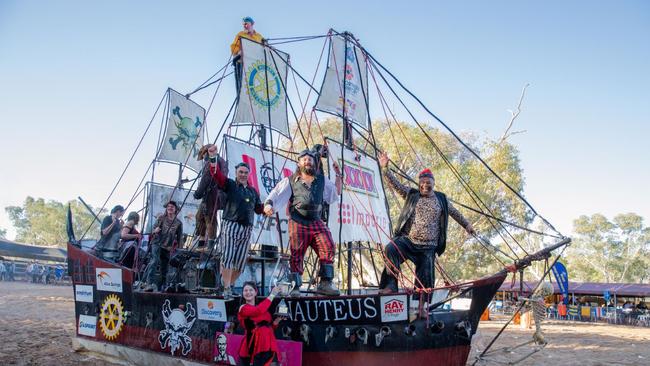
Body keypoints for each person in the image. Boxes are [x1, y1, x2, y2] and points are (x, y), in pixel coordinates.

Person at [377, 151, 475, 296]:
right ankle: (391, 285)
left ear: (433, 183)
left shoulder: (441, 199)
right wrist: (385, 168)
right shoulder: (412, 194)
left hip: (428, 247)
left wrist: (467, 225)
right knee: (391, 248)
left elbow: (454, 213)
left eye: (428, 183)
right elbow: (396, 184)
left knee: (424, 284)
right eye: (422, 182)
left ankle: (422, 307)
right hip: (409, 242)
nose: (424, 185)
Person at [264, 149, 343, 296]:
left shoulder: (321, 179)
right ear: (299, 163)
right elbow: (276, 192)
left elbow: (335, 192)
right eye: (304, 159)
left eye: (310, 160)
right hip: (298, 220)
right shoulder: (291, 180)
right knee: (297, 253)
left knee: (328, 245)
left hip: (316, 220)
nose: (307, 161)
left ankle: (325, 283)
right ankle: (295, 286)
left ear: (314, 163)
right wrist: (269, 204)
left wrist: (338, 174)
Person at [208, 146, 264, 299]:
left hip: (246, 228)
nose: (243, 175)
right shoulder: (231, 185)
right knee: (228, 256)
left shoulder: (253, 192)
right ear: (236, 173)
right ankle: (226, 287)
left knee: (240, 261)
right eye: (241, 172)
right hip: (231, 224)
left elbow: (259, 209)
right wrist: (213, 158)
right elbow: (216, 175)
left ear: (249, 174)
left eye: (246, 172)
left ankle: (229, 284)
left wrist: (270, 206)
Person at [238, 282, 284, 366]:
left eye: (251, 290)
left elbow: (268, 328)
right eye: (245, 290)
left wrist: (277, 321)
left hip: (268, 345)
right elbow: (258, 311)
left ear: (256, 292)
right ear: (243, 293)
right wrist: (272, 294)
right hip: (254, 346)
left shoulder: (262, 307)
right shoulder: (243, 308)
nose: (248, 292)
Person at [142, 201, 183, 292]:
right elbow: (152, 230)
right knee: (154, 261)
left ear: (176, 209)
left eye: (172, 207)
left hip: (167, 247)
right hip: (157, 243)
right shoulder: (161, 218)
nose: (170, 208)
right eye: (168, 206)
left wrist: (179, 250)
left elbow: (180, 238)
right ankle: (149, 284)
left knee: (165, 267)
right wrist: (155, 230)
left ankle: (162, 286)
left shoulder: (178, 223)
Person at [194, 144, 228, 250]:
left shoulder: (213, 162)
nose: (203, 157)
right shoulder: (221, 161)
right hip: (214, 193)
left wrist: (198, 193)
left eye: (204, 154)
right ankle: (203, 242)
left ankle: (209, 246)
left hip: (212, 194)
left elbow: (206, 178)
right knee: (200, 216)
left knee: (210, 218)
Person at [230, 16, 264, 94]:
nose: (244, 26)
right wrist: (238, 52)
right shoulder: (241, 34)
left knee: (254, 86)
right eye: (243, 24)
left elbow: (265, 47)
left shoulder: (259, 36)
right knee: (242, 87)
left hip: (254, 64)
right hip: (242, 62)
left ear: (252, 24)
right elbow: (234, 47)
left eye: (246, 24)